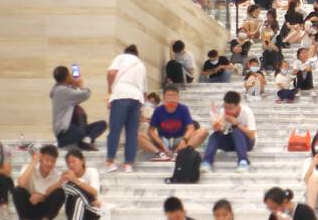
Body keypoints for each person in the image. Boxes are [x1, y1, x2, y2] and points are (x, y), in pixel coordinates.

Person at [104, 44, 146, 174]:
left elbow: (111, 72)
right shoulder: (141, 65)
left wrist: (110, 89)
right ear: (137, 54)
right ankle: (128, 164)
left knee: (115, 130)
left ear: (126, 52)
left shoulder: (121, 57)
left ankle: (110, 162)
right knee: (132, 133)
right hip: (137, 98)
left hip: (121, 95)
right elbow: (145, 90)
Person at [12, 144, 66, 220]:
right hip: (28, 207)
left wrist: (41, 198)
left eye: (53, 161)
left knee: (60, 193)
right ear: (41, 159)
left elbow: (51, 197)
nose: (49, 163)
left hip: (44, 211)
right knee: (17, 190)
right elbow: (21, 183)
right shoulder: (29, 168)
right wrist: (33, 162)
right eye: (47, 160)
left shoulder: (56, 176)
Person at [51, 65, 106, 151]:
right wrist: (81, 85)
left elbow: (71, 94)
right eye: (69, 75)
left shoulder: (60, 89)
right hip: (64, 133)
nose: (71, 76)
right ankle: (69, 142)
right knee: (80, 131)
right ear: (66, 77)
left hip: (72, 129)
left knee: (102, 124)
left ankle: (86, 139)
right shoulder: (62, 91)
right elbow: (85, 94)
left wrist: (72, 84)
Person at [147, 85, 208, 163]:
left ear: (178, 97)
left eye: (174, 96)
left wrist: (184, 140)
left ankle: (181, 153)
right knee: (138, 135)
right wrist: (161, 143)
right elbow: (151, 130)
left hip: (179, 139)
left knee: (203, 131)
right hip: (163, 140)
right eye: (169, 96)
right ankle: (160, 153)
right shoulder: (158, 110)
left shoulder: (183, 109)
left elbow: (191, 128)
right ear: (164, 97)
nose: (172, 98)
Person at [204, 91, 257, 172]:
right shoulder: (223, 112)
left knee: (236, 131)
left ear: (238, 105)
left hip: (247, 143)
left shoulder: (247, 112)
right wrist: (218, 127)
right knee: (215, 135)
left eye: (230, 108)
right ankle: (206, 162)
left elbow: (252, 135)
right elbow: (223, 130)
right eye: (225, 107)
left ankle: (243, 162)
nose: (227, 110)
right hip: (232, 142)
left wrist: (236, 123)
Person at [60, 148, 104, 220]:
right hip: (74, 211)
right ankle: (94, 202)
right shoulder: (68, 176)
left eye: (74, 161)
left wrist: (76, 180)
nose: (71, 165)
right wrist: (61, 182)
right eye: (69, 163)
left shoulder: (92, 171)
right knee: (70, 189)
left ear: (82, 160)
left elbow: (94, 192)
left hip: (92, 212)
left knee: (76, 194)